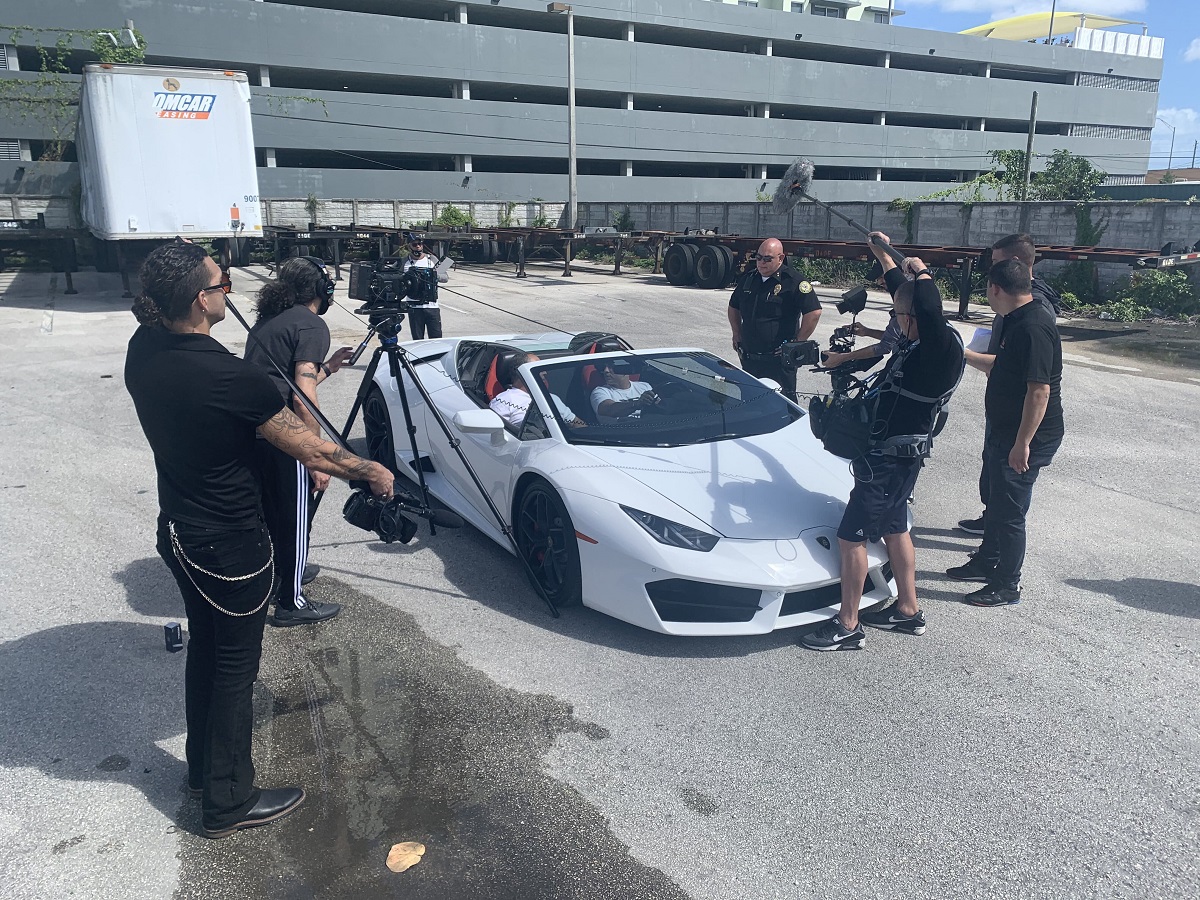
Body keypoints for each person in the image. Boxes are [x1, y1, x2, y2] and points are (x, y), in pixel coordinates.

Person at [124, 241, 393, 838]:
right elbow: (312, 449)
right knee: (234, 668)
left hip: (180, 531)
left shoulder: (145, 347)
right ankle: (228, 801)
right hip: (229, 546)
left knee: (207, 651)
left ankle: (203, 774)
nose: (229, 291)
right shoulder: (224, 374)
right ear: (202, 300)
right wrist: (370, 470)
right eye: (222, 284)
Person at [800, 252, 965, 652]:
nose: (896, 322)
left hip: (889, 463)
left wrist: (922, 271)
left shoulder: (938, 347)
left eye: (899, 316)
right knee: (895, 528)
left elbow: (926, 306)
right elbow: (907, 297)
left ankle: (847, 625)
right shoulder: (923, 341)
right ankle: (908, 610)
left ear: (914, 319)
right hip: (899, 457)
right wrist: (883, 254)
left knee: (850, 537)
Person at [946, 259, 1064, 607]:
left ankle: (1007, 585)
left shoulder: (1034, 326)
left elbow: (1039, 391)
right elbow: (1002, 365)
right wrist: (962, 353)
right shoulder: (1015, 319)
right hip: (1007, 431)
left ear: (995, 288)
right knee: (996, 505)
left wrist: (1022, 443)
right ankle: (987, 561)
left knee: (1010, 514)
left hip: (1026, 438)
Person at [245, 257, 352, 627]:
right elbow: (302, 397)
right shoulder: (311, 324)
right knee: (294, 518)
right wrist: (314, 457)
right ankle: (291, 602)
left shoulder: (269, 320)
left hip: (256, 432)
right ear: (322, 289)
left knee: (275, 513)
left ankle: (286, 571)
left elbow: (286, 381)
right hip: (286, 437)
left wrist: (328, 368)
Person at [958, 233, 1062, 536]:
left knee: (1012, 499)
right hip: (1005, 416)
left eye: (995, 262)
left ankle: (1000, 535)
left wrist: (1023, 442)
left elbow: (1039, 388)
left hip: (1020, 423)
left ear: (1014, 264)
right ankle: (992, 524)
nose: (990, 269)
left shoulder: (1034, 316)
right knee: (997, 481)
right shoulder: (1016, 310)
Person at [727, 238, 822, 402]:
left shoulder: (793, 281)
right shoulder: (749, 279)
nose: (761, 262)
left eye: (767, 259)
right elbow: (733, 306)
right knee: (750, 403)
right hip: (750, 359)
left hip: (778, 362)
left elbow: (814, 312)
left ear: (781, 258)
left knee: (782, 405)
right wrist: (736, 333)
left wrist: (797, 342)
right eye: (758, 257)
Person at [489, 352, 585, 428]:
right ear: (520, 372)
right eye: (537, 368)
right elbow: (493, 435)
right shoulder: (504, 400)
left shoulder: (552, 398)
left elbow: (576, 422)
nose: (545, 372)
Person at [589, 359, 661, 422]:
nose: (606, 371)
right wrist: (637, 404)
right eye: (603, 367)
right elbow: (608, 409)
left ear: (625, 368)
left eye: (611, 366)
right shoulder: (600, 391)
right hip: (619, 431)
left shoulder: (644, 386)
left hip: (648, 428)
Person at [402, 238, 441, 340]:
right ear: (409, 246)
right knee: (417, 340)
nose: (418, 246)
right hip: (414, 307)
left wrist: (433, 275)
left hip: (432, 306)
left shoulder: (432, 259)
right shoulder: (404, 261)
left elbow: (445, 277)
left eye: (420, 244)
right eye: (414, 244)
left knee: (437, 339)